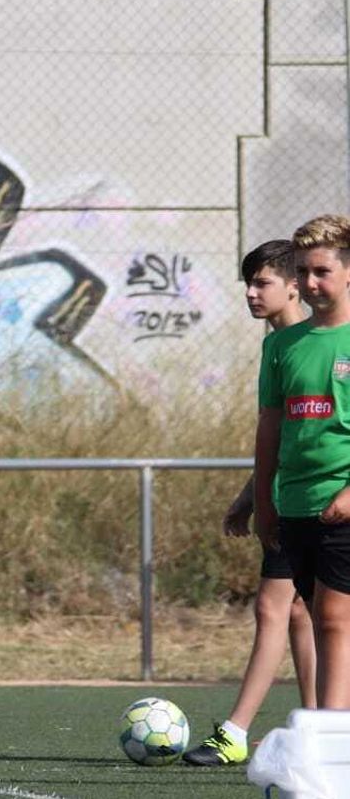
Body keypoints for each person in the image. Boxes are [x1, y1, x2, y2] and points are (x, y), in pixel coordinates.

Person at [184, 240, 316, 765]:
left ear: (293, 285)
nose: (250, 292)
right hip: (287, 496)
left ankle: (235, 733)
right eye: (248, 282)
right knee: (301, 614)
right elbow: (278, 433)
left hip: (315, 499)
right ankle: (321, 728)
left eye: (261, 282)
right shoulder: (277, 347)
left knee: (272, 607)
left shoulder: (320, 341)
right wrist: (251, 496)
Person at [255, 214, 350, 711]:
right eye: (303, 272)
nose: (311, 283)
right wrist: (264, 500)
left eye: (322, 272)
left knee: (335, 617)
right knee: (317, 616)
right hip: (295, 503)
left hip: (344, 504)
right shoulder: (281, 345)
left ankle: (332, 738)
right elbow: (270, 427)